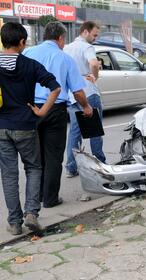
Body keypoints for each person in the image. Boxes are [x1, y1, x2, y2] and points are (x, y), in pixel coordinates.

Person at [0, 22, 61, 235]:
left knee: (8, 175)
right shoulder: (30, 64)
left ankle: (14, 223)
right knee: (34, 168)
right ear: (22, 42)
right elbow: (55, 86)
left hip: (1, 128)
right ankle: (32, 214)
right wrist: (43, 111)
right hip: (26, 125)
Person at [23, 21, 93, 208]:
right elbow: (78, 92)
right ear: (60, 38)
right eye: (64, 40)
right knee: (53, 155)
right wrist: (86, 107)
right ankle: (50, 198)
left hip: (31, 109)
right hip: (55, 109)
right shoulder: (65, 59)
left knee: (35, 156)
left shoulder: (28, 53)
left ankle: (35, 197)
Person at [64, 21, 106, 178]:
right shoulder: (86, 47)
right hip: (88, 93)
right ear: (85, 32)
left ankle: (71, 167)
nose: (95, 38)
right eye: (94, 35)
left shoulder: (67, 48)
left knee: (75, 133)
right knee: (94, 131)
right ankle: (99, 164)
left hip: (73, 95)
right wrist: (95, 76)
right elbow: (94, 63)